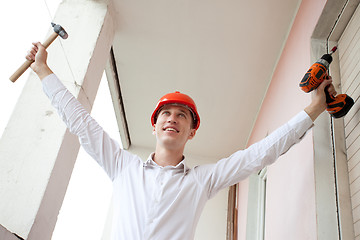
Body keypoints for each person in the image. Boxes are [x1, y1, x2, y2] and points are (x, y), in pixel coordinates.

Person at [26, 42, 335, 240]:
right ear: (155, 126)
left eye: (182, 116)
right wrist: (42, 70)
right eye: (166, 113)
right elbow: (80, 122)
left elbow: (260, 154)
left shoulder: (202, 181)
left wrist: (313, 109)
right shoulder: (122, 167)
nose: (172, 118)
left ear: (192, 132)